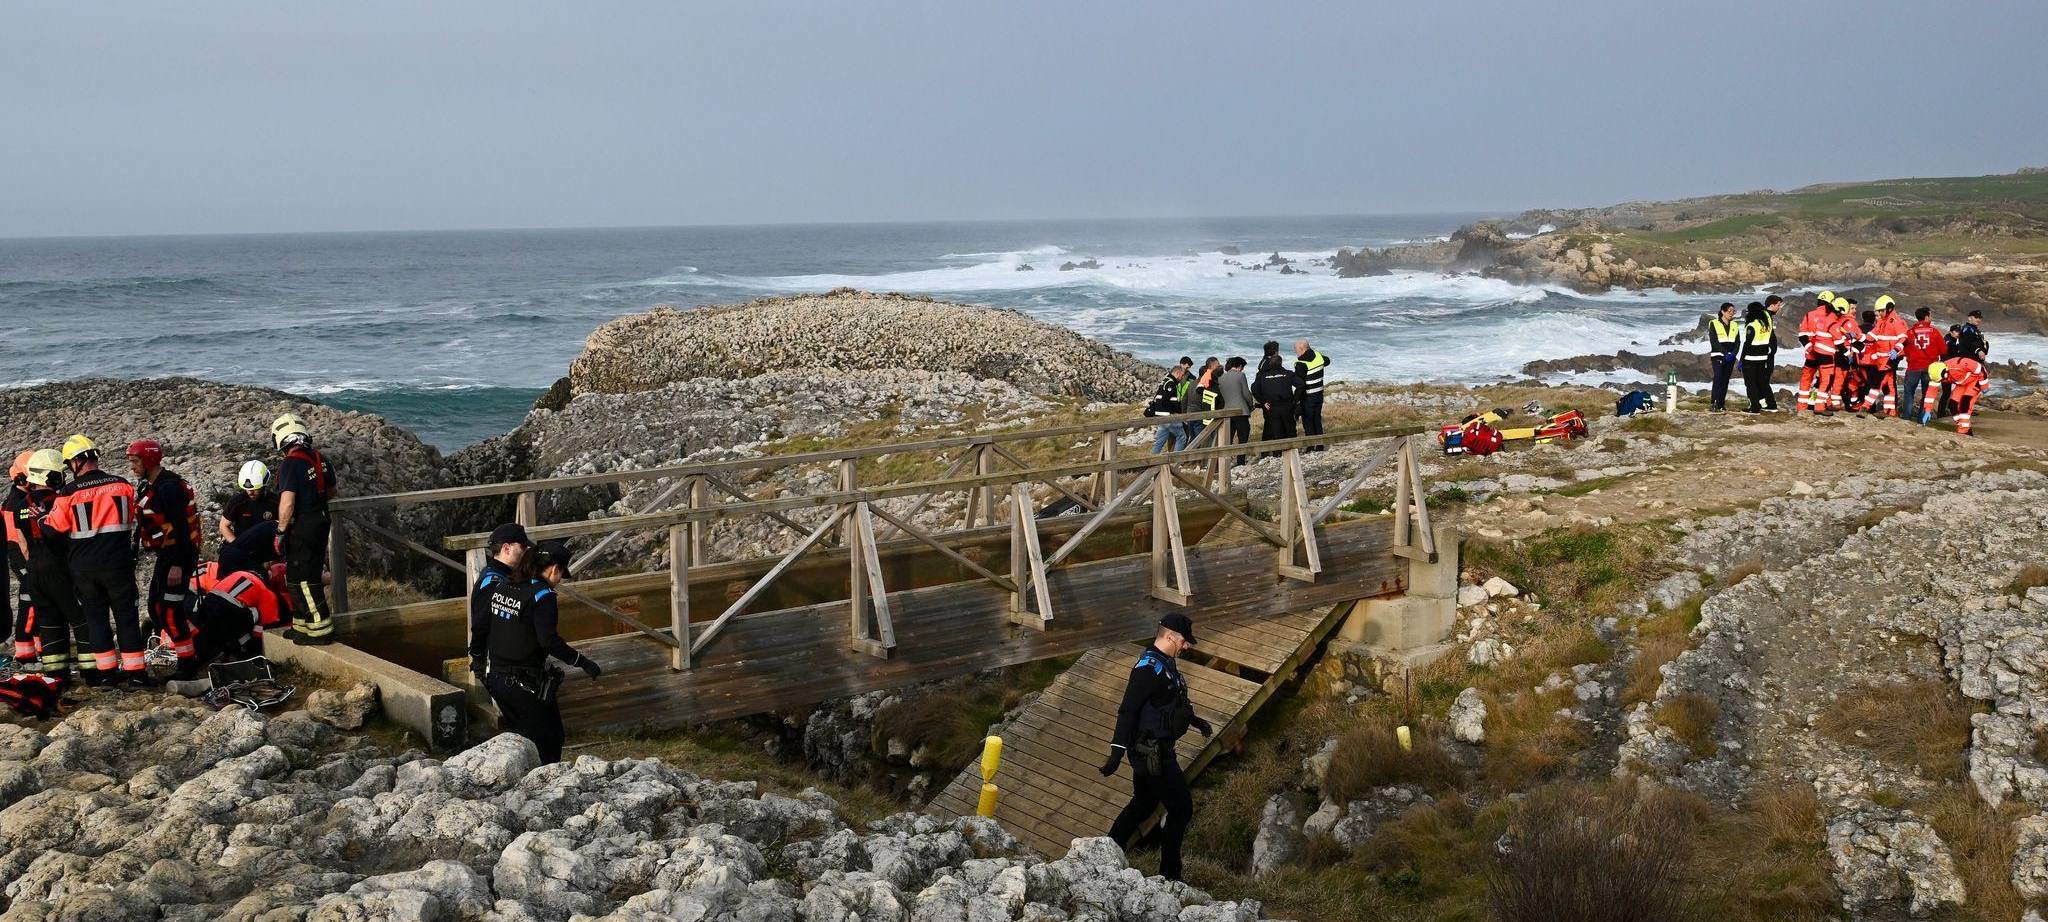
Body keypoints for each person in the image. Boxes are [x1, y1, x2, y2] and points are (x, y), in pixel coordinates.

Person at [1099, 614, 1211, 882]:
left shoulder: (1165, 663)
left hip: (1156, 750)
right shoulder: (1147, 669)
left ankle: (1106, 852)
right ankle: (1171, 874)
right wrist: (1116, 751)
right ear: (1170, 636)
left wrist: (1195, 721)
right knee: (1181, 807)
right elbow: (1128, 710)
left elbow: (1168, 703)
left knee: (1144, 803)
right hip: (1152, 753)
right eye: (1184, 641)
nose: (1187, 647)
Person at [470, 538, 600, 764]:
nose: (559, 581)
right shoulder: (543, 596)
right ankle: (545, 786)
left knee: (523, 737)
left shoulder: (503, 586)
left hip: (497, 679)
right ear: (554, 569)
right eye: (560, 574)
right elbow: (549, 640)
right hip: (523, 684)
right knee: (549, 739)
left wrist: (478, 658)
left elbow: (481, 625)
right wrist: (582, 661)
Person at [45, 435, 146, 686]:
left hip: (85, 568)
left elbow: (52, 530)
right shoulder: (123, 485)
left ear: (77, 461)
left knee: (96, 620)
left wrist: (40, 519)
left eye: (69, 463)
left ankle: (107, 676)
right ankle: (136, 674)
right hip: (119, 564)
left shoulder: (69, 493)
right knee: (126, 617)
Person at [9, 450, 85, 678]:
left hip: (34, 569)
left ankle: (56, 674)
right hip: (59, 567)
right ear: (49, 476)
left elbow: (22, 542)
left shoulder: (20, 505)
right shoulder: (59, 501)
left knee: (49, 623)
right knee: (81, 620)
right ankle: (94, 673)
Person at [130, 439, 202, 674]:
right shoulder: (150, 485)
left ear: (149, 460)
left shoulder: (169, 488)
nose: (132, 466)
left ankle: (188, 663)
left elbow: (180, 529)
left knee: (170, 611)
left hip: (178, 557)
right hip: (166, 555)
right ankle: (193, 641)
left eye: (135, 461)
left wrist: (178, 566)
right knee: (156, 608)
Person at [273, 414, 340, 645]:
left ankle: (321, 629)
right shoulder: (320, 458)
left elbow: (288, 502)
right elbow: (332, 491)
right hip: (321, 520)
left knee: (304, 579)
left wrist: (280, 532)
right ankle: (301, 625)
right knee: (295, 576)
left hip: (303, 525)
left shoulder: (290, 463)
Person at [1861, 296, 1909, 417]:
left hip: (1891, 357)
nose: (1880, 313)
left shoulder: (1896, 321)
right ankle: (1890, 411)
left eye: (1881, 311)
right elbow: (1870, 337)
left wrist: (1896, 350)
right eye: (1879, 311)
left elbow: (1904, 338)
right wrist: (1857, 336)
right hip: (1882, 358)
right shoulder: (1880, 322)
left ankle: (1865, 407)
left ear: (1888, 309)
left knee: (1877, 382)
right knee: (1889, 385)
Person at [1796, 290, 1839, 413]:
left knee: (1806, 379)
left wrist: (1810, 348)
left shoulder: (1809, 315)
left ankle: (1801, 408)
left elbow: (1802, 336)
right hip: (1825, 353)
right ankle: (1820, 406)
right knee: (1826, 379)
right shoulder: (1830, 316)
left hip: (1811, 354)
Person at [1900, 306, 1943, 424]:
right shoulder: (1934, 332)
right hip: (1930, 368)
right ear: (1926, 317)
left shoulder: (1910, 332)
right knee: (1927, 395)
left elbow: (1905, 349)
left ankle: (1906, 420)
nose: (1932, 317)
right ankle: (1922, 421)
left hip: (1913, 367)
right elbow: (1943, 350)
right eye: (1931, 315)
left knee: (1909, 394)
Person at [220, 460, 278, 542]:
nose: (250, 492)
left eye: (255, 489)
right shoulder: (237, 501)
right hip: (243, 548)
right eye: (247, 489)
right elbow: (223, 526)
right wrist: (237, 546)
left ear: (264, 484)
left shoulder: (276, 502)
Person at [1927, 358, 1988, 435]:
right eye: (1940, 381)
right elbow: (1930, 393)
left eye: (1942, 379)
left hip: (1975, 380)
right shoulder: (1936, 375)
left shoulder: (1959, 365)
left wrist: (1984, 386)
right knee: (1952, 405)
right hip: (1962, 383)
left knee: (1964, 404)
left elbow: (1981, 368)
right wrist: (1927, 410)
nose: (1942, 381)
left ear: (1945, 371)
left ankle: (1964, 431)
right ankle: (1963, 426)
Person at [1253, 341, 1297, 448]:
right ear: (1275, 351)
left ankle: (1271, 448)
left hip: (1267, 399)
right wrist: (1264, 401)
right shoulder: (1269, 364)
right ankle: (1273, 449)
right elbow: (1261, 383)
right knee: (1272, 426)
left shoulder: (1263, 361)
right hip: (1270, 401)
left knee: (1271, 425)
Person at [1738, 302, 1777, 413]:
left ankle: (1754, 407)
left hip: (1751, 359)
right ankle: (1772, 404)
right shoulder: (1766, 325)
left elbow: (1747, 344)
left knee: (1750, 384)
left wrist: (1741, 359)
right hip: (1763, 358)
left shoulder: (1752, 325)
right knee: (1763, 382)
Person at [1216, 357, 1255, 465]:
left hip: (1227, 411)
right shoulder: (1240, 375)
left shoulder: (1221, 377)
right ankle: (1240, 461)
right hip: (1240, 410)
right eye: (1242, 368)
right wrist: (1251, 405)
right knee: (1243, 435)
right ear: (1240, 366)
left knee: (1229, 437)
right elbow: (1246, 394)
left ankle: (1225, 461)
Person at [1293, 340, 1329, 450]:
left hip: (1308, 397)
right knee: (1317, 419)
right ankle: (1319, 445)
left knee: (1308, 421)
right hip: (1319, 394)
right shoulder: (1318, 356)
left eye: (1296, 349)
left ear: (1302, 349)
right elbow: (1327, 361)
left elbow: (1300, 385)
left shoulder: (1301, 364)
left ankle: (1310, 446)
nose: (1295, 352)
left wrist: (1295, 400)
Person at [1146, 364, 1190, 454]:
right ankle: (1176, 461)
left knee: (1160, 440)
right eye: (1182, 375)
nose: (1182, 378)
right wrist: (1177, 412)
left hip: (1160, 416)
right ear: (1177, 373)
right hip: (1167, 416)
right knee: (1182, 437)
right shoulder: (1171, 384)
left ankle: (1152, 460)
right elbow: (1168, 401)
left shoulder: (1165, 381)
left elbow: (1159, 398)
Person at [1706, 302, 1741, 411]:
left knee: (1725, 380)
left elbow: (1738, 342)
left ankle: (1721, 404)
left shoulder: (1735, 325)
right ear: (1723, 311)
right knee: (1718, 378)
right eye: (1729, 311)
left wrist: (1733, 354)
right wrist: (1725, 353)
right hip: (1718, 355)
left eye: (1733, 311)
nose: (1731, 313)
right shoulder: (1714, 323)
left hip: (1730, 357)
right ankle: (1714, 403)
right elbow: (1714, 341)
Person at [1184, 357, 1220, 445]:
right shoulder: (1205, 385)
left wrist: (1184, 413)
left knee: (1192, 438)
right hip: (1199, 414)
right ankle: (1197, 458)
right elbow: (1205, 400)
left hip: (1189, 413)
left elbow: (1184, 400)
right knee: (1200, 440)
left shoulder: (1191, 383)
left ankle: (1191, 457)